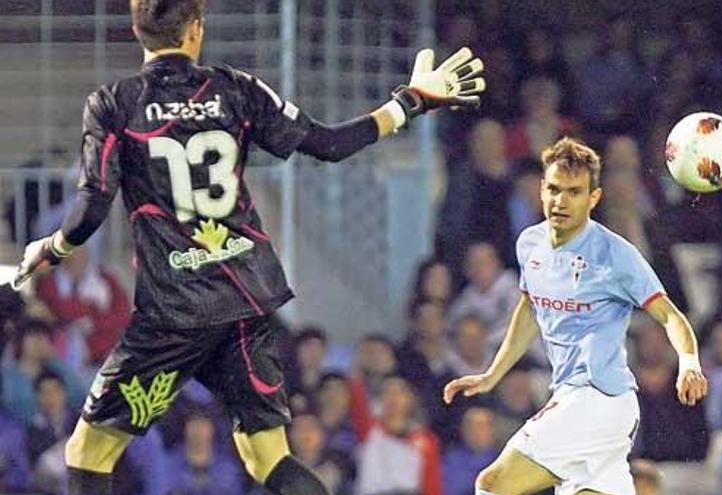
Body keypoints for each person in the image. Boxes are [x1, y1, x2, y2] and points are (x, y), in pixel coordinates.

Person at [10, 1, 485, 494]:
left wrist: (53, 247)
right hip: (244, 302)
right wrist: (409, 102)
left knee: (87, 454)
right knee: (269, 459)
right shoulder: (235, 88)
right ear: (196, 30)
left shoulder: (114, 102)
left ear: (136, 31)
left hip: (173, 313)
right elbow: (329, 144)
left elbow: (91, 207)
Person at [444, 137, 708, 495]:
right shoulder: (529, 244)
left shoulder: (616, 255)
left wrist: (689, 362)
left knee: (492, 484)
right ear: (541, 190)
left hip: (598, 399)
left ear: (593, 198)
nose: (561, 201)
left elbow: (671, 315)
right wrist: (493, 375)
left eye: (574, 192)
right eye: (554, 189)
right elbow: (530, 309)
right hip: (586, 405)